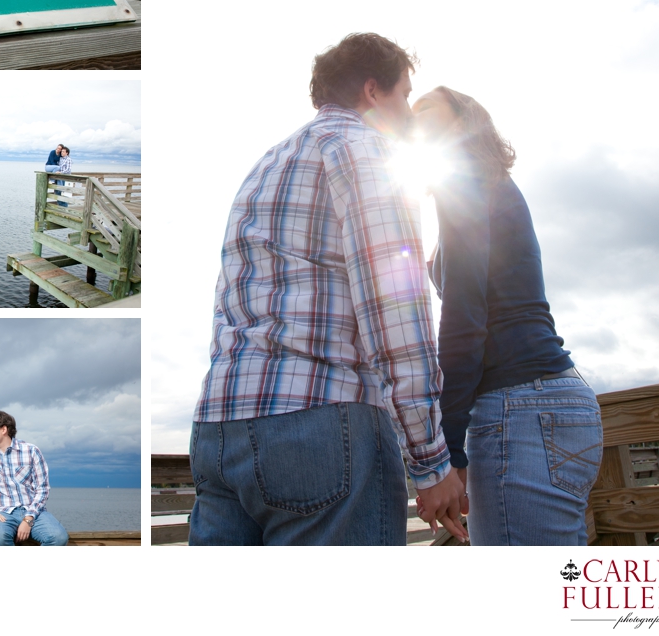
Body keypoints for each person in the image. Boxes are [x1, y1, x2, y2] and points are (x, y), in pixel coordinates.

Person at [189, 33, 466, 546]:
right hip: (321, 423)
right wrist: (431, 461)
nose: (408, 110)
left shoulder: (266, 164)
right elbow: (395, 312)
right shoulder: (367, 150)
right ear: (373, 90)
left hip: (219, 426)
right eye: (405, 93)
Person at [411, 86, 603, 545]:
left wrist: (449, 449)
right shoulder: (485, 184)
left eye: (425, 108)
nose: (412, 115)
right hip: (556, 402)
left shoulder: (464, 180)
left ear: (462, 120)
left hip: (521, 406)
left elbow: (464, 319)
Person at [0, 411, 69, 546]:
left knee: (59, 537)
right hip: (1, 513)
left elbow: (43, 489)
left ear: (4, 429)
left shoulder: (31, 451)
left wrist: (28, 519)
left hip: (33, 511)